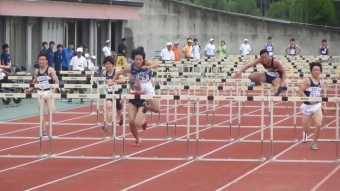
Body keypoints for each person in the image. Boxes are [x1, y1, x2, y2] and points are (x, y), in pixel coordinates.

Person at [111, 47, 160, 146]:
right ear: (133, 59)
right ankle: (137, 138)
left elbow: (157, 64)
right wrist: (112, 81)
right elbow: (118, 72)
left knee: (157, 109)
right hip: (136, 92)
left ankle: (145, 106)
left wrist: (148, 67)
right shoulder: (131, 67)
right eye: (136, 59)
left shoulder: (146, 63)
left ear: (143, 59)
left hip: (148, 87)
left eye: (140, 59)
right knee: (131, 121)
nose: (138, 61)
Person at [24, 54, 59, 136]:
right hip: (40, 93)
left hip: (49, 92)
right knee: (41, 112)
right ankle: (44, 130)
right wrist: (30, 89)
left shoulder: (50, 70)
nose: (41, 61)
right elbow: (35, 82)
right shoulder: (37, 71)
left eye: (43, 59)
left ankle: (48, 121)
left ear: (46, 61)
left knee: (52, 112)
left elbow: (57, 81)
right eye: (40, 59)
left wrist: (52, 92)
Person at [299, 62, 323, 150]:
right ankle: (305, 132)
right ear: (311, 71)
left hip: (317, 106)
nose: (316, 71)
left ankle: (314, 143)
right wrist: (308, 99)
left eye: (318, 70)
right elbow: (301, 91)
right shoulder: (307, 80)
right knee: (306, 129)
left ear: (320, 71)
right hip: (307, 106)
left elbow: (319, 95)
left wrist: (321, 105)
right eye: (314, 70)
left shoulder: (321, 82)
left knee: (318, 124)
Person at [102, 56, 125, 132]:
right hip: (109, 93)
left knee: (119, 112)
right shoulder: (104, 72)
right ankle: (107, 124)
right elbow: (102, 79)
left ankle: (122, 118)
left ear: (112, 64)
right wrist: (105, 80)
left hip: (118, 94)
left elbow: (123, 80)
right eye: (105, 64)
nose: (107, 65)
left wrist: (113, 81)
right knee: (108, 106)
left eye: (109, 64)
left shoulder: (116, 71)